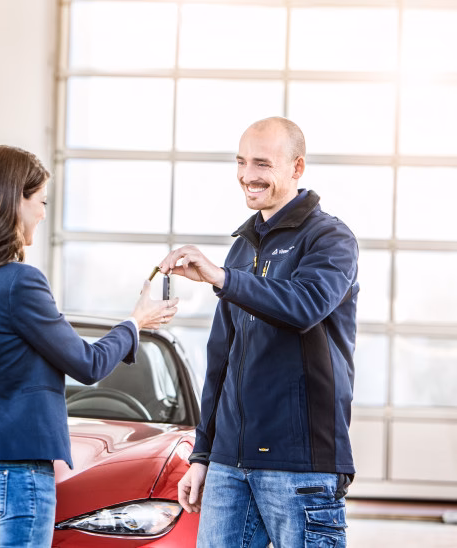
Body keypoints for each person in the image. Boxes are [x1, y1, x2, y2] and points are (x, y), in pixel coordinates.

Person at [0, 145, 179, 548]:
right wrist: (136, 322)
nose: (44, 214)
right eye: (41, 201)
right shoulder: (20, 281)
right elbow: (88, 364)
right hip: (12, 475)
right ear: (15, 201)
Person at [158, 117, 358, 547]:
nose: (247, 175)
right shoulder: (242, 247)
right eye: (241, 162)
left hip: (299, 466)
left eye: (262, 164)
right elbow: (221, 360)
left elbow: (304, 306)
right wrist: (204, 454)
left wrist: (222, 277)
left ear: (297, 167)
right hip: (229, 465)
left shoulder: (331, 239)